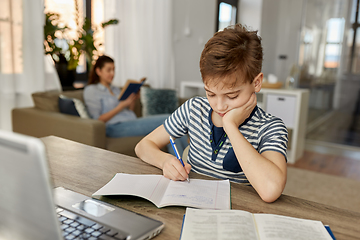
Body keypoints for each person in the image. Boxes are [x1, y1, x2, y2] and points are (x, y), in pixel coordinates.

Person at [135, 24, 288, 203]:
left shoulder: (270, 127)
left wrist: (231, 127)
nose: (219, 106)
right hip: (189, 205)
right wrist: (164, 161)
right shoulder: (194, 109)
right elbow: (143, 146)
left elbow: (270, 190)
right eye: (210, 94)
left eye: (232, 95)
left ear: (256, 83)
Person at [83, 55, 170, 139]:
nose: (112, 74)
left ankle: (180, 154)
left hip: (130, 121)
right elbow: (98, 119)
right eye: (109, 70)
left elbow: (129, 111)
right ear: (98, 71)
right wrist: (121, 106)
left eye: (114, 70)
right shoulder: (91, 90)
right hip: (114, 127)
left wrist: (132, 99)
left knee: (171, 130)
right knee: (169, 120)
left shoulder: (116, 89)